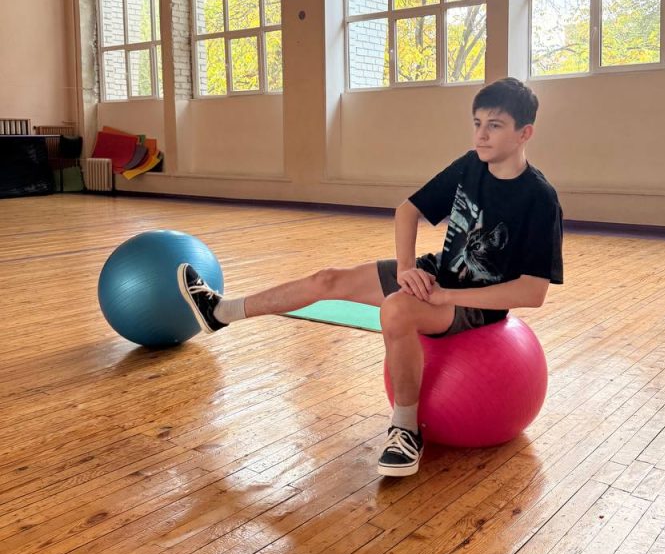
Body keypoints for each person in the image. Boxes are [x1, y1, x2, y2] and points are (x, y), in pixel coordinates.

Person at [178, 76, 563, 478]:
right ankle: (220, 311)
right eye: (477, 123)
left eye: (494, 126)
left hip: (476, 305)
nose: (481, 135)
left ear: (525, 133)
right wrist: (407, 269)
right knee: (328, 280)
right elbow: (407, 210)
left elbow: (532, 292)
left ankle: (406, 430)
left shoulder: (539, 198)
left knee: (397, 310)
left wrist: (446, 297)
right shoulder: (471, 165)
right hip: (438, 274)